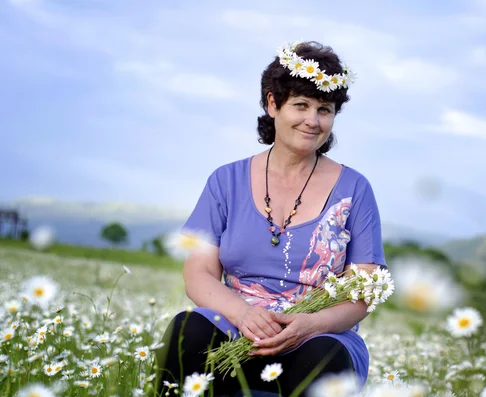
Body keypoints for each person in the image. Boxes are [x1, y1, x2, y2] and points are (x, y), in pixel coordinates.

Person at [155, 41, 388, 397]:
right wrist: (244, 314)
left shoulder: (355, 189)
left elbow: (363, 291)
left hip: (316, 335)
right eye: (301, 105)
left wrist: (308, 324)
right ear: (272, 104)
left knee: (322, 358)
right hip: (236, 327)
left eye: (324, 109)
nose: (313, 120)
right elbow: (198, 273)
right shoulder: (226, 181)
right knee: (190, 330)